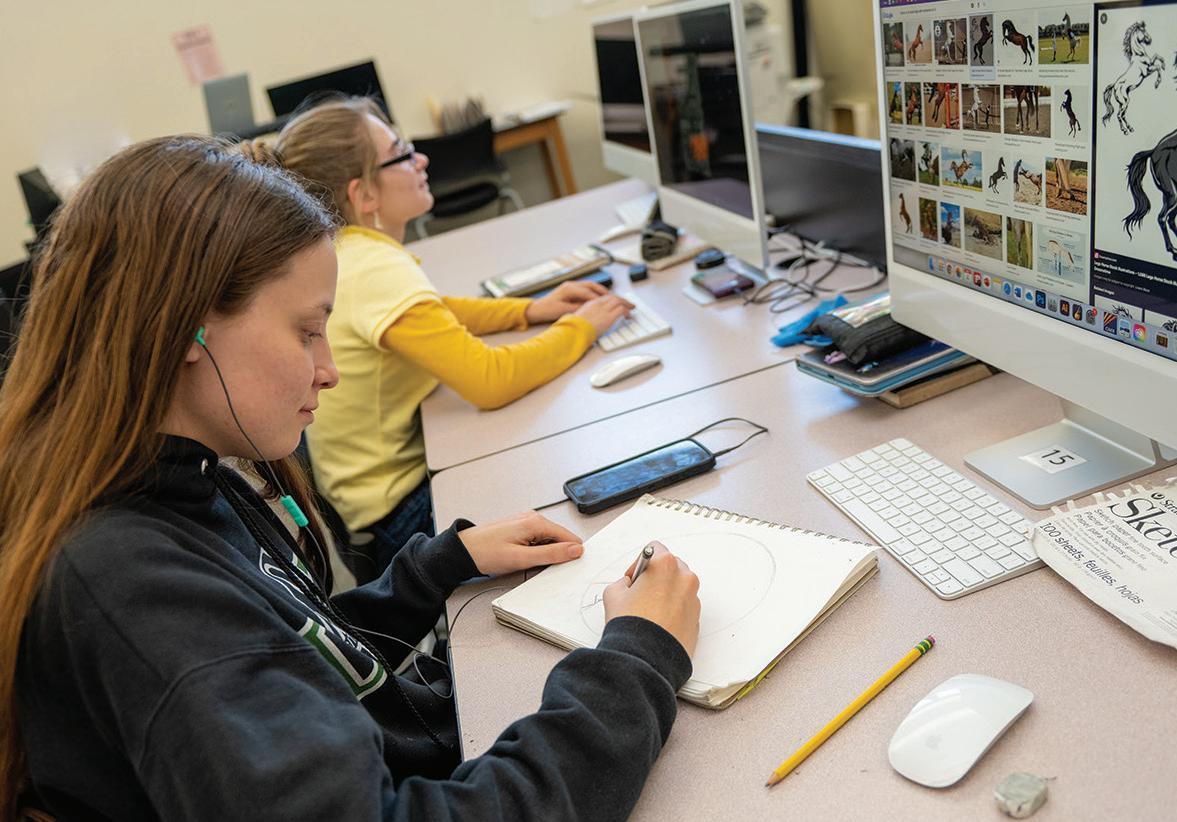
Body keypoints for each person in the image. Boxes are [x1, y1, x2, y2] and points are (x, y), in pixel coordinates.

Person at [0, 135, 701, 820]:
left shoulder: (189, 478)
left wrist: (436, 567)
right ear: (184, 328)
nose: (329, 370)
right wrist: (636, 661)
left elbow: (295, 652)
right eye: (307, 331)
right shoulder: (134, 588)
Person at [273, 97, 634, 583]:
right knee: (573, 471)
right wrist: (583, 327)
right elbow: (489, 380)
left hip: (366, 510)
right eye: (402, 154)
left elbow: (434, 311)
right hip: (400, 518)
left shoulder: (348, 254)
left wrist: (529, 310)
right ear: (365, 195)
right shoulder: (373, 267)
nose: (422, 160)